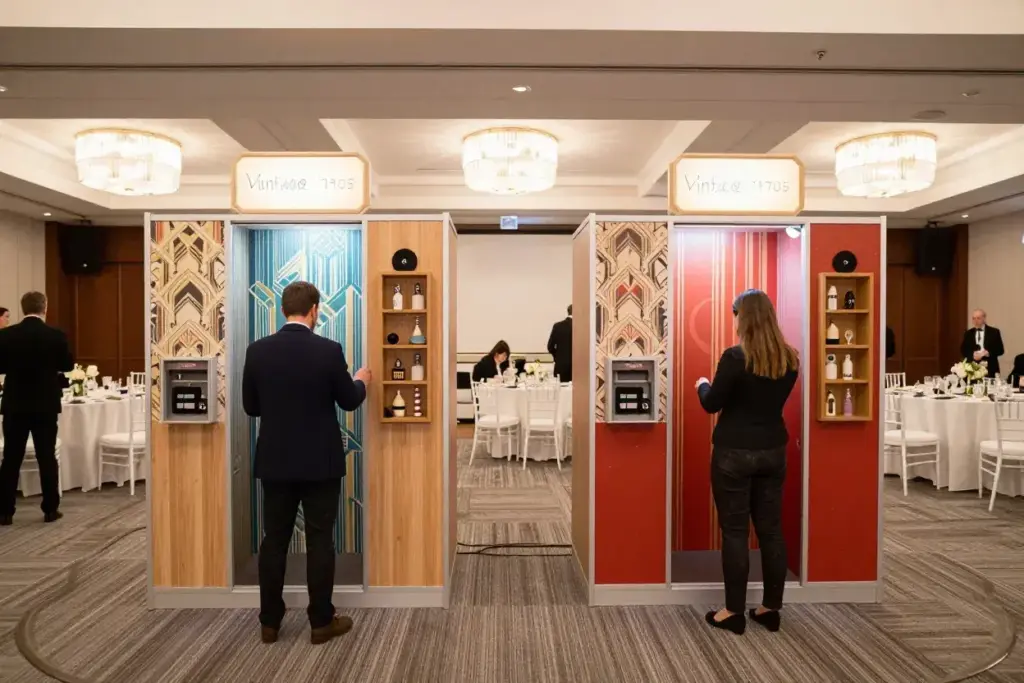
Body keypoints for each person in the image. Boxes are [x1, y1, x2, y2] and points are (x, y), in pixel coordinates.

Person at [242, 281, 371, 646]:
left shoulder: (258, 351)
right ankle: (320, 622)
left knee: (274, 541)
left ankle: (269, 622)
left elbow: (251, 407)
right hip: (320, 463)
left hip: (275, 462)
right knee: (319, 541)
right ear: (314, 310)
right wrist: (361, 381)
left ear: (284, 310)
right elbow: (348, 401)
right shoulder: (328, 350)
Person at [694, 289, 798, 635]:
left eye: (735, 313)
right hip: (773, 452)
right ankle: (770, 608)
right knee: (771, 531)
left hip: (733, 454)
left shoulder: (734, 357)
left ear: (743, 316)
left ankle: (733, 612)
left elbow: (712, 404)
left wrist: (702, 384)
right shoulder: (790, 359)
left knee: (735, 532)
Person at [0, 292, 74, 525]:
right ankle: (50, 508)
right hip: (45, 405)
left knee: (11, 457)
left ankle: (5, 512)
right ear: (45, 307)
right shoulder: (56, 335)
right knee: (46, 456)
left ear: (22, 308)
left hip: (15, 404)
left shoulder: (6, 335)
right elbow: (68, 365)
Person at [959, 309, 1004, 378]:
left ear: (984, 318)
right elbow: (963, 350)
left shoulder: (994, 332)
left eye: (978, 318)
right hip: (972, 368)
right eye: (973, 318)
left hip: (990, 368)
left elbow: (1000, 350)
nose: (975, 321)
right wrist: (972, 355)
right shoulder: (968, 333)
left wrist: (987, 353)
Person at [546, 305, 573, 382]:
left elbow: (550, 347)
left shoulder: (558, 326)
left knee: (560, 392)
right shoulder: (583, 326)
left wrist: (558, 357)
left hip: (561, 367)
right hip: (579, 368)